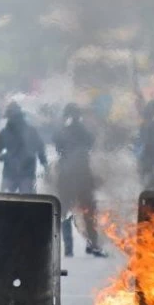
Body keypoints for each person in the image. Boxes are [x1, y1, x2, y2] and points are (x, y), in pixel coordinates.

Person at [54, 103, 107, 257]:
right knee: (89, 211)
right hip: (83, 176)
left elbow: (58, 147)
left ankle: (68, 247)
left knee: (65, 212)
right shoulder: (84, 131)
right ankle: (92, 244)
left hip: (66, 177)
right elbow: (91, 143)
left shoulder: (61, 132)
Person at [0, 102, 48, 194]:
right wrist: (44, 164)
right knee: (28, 201)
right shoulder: (32, 131)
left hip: (10, 174)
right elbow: (40, 148)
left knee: (4, 200)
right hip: (27, 174)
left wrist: (5, 156)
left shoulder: (4, 133)